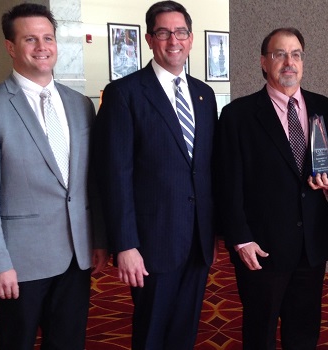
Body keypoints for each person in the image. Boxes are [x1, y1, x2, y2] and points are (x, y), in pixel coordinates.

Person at [0, 3, 107, 348]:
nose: (42, 47)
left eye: (48, 38)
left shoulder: (80, 104)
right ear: (11, 47)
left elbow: (91, 182)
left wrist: (99, 238)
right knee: (17, 342)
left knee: (69, 341)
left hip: (77, 254)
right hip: (20, 261)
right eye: (30, 39)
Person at [92, 1, 217, 349]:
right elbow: (114, 175)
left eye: (180, 32)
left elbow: (206, 169)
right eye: (163, 32)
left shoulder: (204, 95)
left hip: (198, 240)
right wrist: (125, 244)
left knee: (184, 332)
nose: (172, 40)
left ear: (191, 39)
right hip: (151, 242)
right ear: (149, 39)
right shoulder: (124, 93)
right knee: (152, 333)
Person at [215, 27, 328, 349]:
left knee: (304, 330)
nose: (289, 62)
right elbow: (226, 183)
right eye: (280, 54)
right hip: (262, 248)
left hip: (311, 244)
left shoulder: (325, 109)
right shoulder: (238, 115)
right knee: (260, 331)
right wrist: (240, 239)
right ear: (264, 61)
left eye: (296, 54)